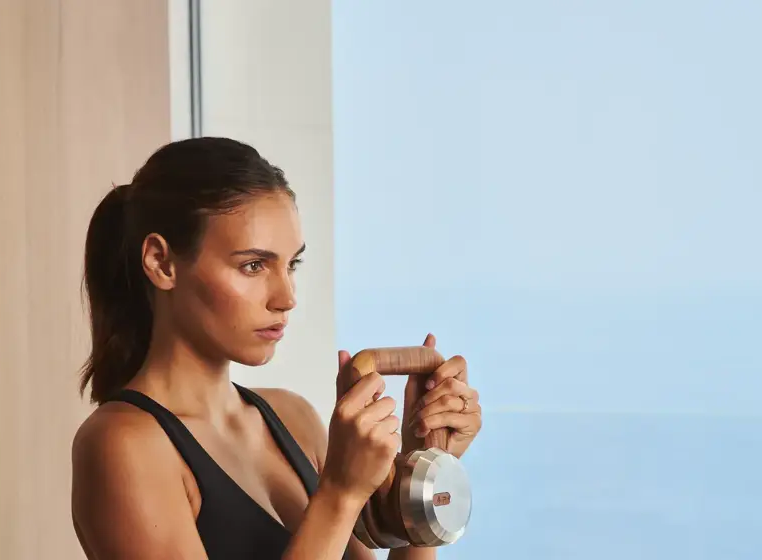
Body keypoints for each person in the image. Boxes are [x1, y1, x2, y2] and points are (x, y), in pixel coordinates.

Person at [70, 137, 483, 560]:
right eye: (253, 265)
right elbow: (336, 508)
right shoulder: (121, 445)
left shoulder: (294, 419)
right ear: (161, 262)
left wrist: (422, 465)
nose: (286, 297)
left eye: (291, 265)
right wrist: (339, 493)